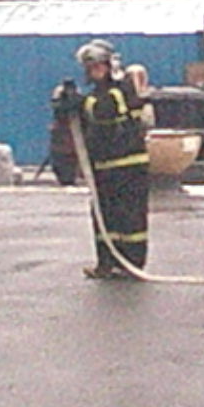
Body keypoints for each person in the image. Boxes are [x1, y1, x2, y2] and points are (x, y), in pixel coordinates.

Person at [53, 39, 150, 280]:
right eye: (90, 68)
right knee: (104, 217)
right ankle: (106, 263)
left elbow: (106, 112)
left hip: (128, 166)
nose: (95, 71)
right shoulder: (96, 94)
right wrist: (63, 106)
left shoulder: (122, 88)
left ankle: (131, 264)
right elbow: (86, 120)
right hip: (104, 167)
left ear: (110, 65)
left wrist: (80, 102)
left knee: (129, 219)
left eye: (98, 66)